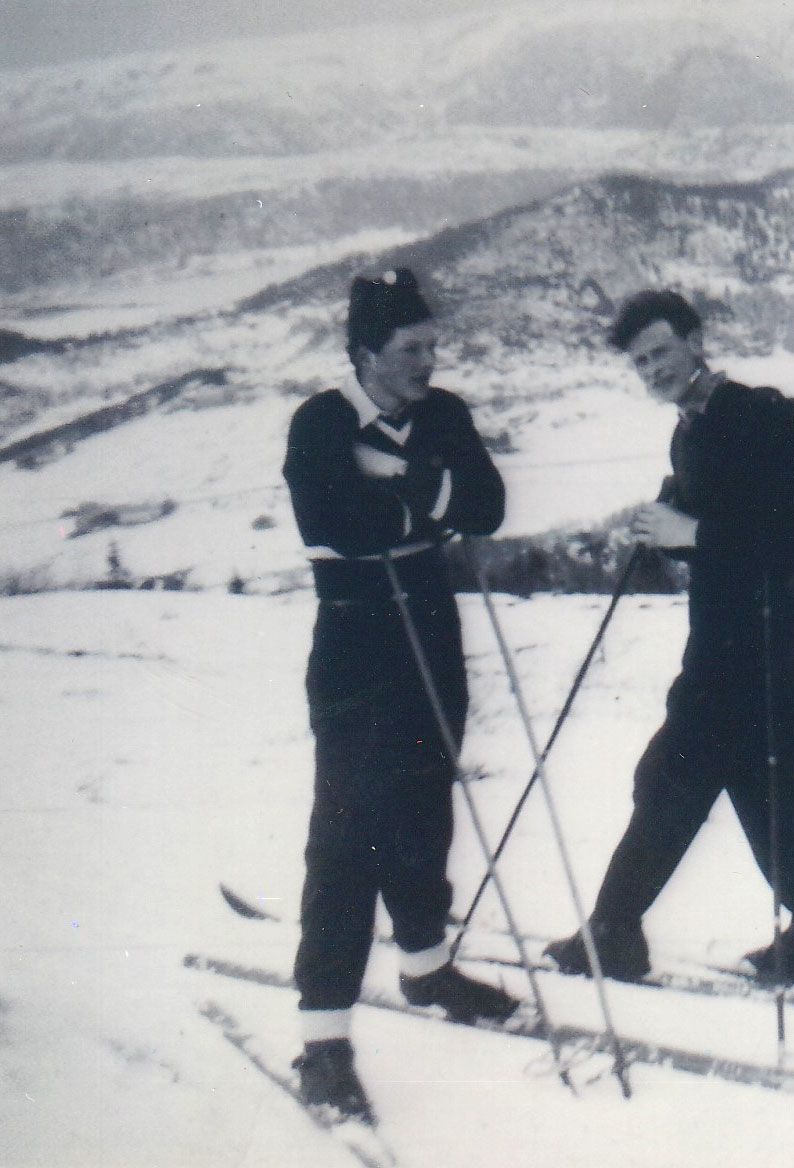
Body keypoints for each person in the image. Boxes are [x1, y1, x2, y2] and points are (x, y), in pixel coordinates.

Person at [544, 290, 794, 990]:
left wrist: (695, 534)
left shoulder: (754, 416)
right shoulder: (692, 428)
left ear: (695, 339)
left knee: (673, 779)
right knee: (769, 784)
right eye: (639, 361)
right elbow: (730, 535)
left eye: (659, 351)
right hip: (734, 642)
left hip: (751, 646)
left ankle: (614, 933)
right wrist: (678, 533)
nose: (650, 368)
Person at [281, 268, 518, 1122]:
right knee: (348, 831)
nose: (428, 361)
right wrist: (428, 500)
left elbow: (486, 507)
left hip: (430, 625)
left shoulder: (443, 413)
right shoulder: (319, 422)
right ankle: (324, 1039)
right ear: (363, 354)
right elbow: (337, 526)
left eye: (431, 345)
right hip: (356, 640)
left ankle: (425, 966)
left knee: (425, 806)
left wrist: (401, 484)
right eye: (410, 349)